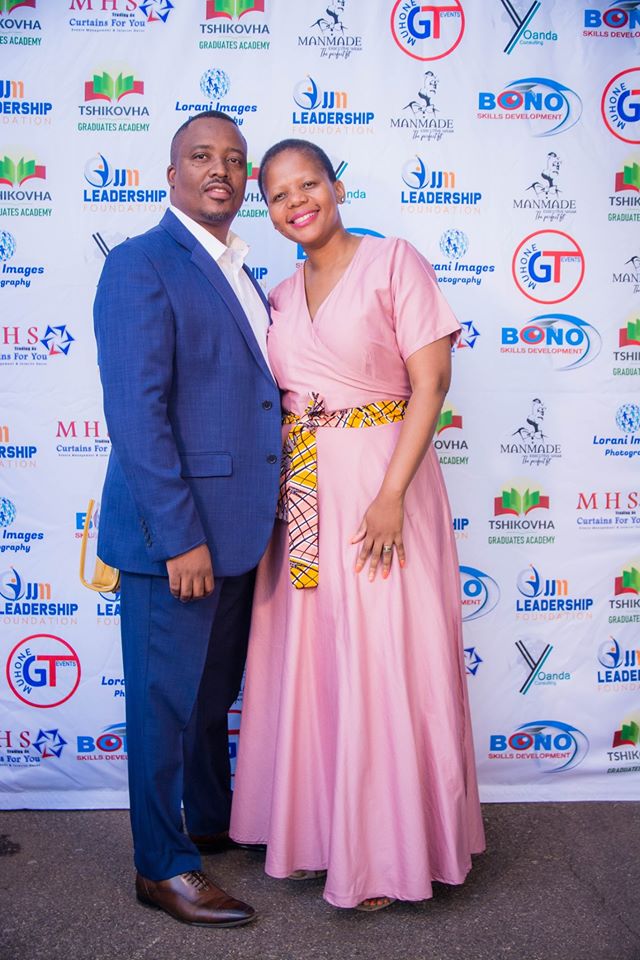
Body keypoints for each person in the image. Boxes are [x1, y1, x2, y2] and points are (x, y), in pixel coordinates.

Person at [229, 139, 485, 911]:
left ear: (336, 187)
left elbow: (431, 381)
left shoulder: (394, 262)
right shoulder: (276, 296)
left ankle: (384, 855)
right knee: (315, 661)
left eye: (308, 184)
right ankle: (319, 836)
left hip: (383, 486)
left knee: (382, 659)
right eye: (278, 195)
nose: (296, 202)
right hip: (305, 495)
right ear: (269, 212)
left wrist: (391, 493)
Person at [93, 110, 281, 927]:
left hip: (237, 531)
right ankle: (161, 867)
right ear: (172, 175)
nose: (220, 171)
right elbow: (137, 415)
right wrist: (181, 539)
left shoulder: (241, 270)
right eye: (201, 157)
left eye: (234, 160)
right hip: (176, 539)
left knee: (210, 699)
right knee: (163, 707)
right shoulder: (141, 263)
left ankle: (209, 820)